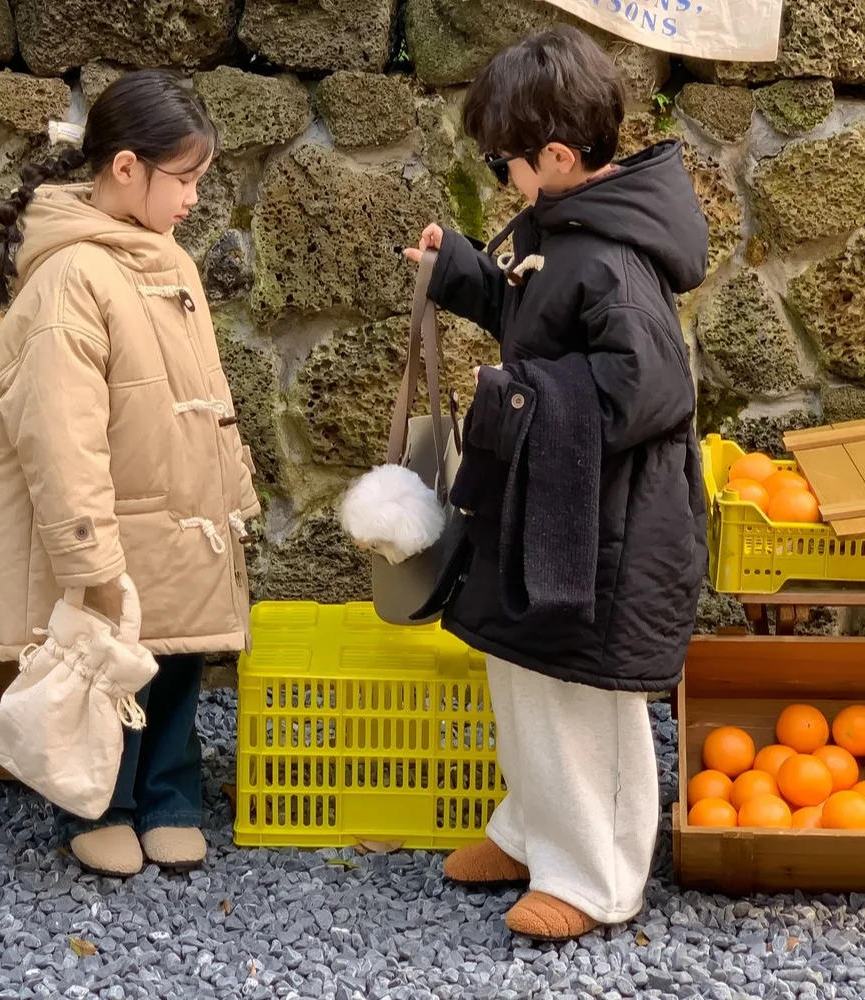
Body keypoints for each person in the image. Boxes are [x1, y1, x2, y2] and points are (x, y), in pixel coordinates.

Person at [404, 26, 708, 939]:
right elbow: (532, 316)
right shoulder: (566, 231)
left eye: (505, 163)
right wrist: (461, 270)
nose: (501, 178)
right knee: (526, 672)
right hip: (559, 504)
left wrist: (518, 402)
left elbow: (646, 389)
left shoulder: (611, 258)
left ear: (560, 157)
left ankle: (598, 879)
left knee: (582, 693)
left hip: (607, 526)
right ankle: (533, 830)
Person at [0, 70, 260, 877]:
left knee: (175, 659)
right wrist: (87, 552)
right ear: (126, 168)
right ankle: (98, 801)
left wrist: (231, 487)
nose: (197, 198)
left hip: (176, 511)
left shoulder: (167, 259)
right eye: (188, 179)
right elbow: (59, 437)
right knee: (107, 665)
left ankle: (170, 796)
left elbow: (208, 391)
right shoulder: (70, 278)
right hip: (117, 517)